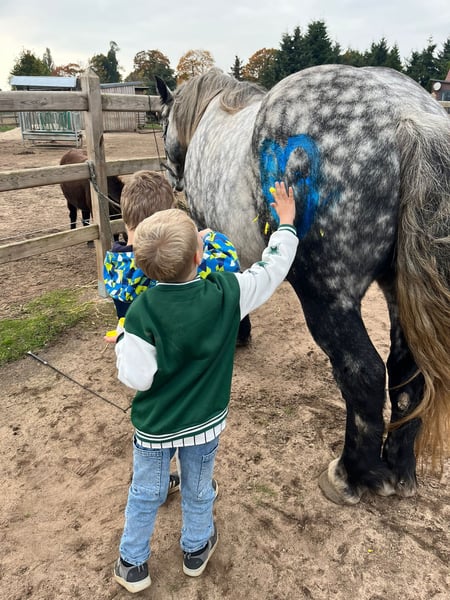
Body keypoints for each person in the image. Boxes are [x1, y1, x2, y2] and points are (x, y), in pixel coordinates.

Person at [112, 181, 298, 593]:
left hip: (155, 428)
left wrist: (124, 339)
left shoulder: (141, 312)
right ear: (200, 256)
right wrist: (286, 223)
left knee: (146, 492)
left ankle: (132, 563)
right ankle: (196, 549)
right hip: (205, 425)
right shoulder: (227, 293)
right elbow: (272, 269)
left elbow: (136, 378)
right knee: (198, 488)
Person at [103, 170, 251, 345]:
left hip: (145, 342)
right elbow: (229, 263)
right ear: (169, 218)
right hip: (189, 344)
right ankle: (240, 334)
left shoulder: (113, 266)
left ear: (124, 215)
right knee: (228, 284)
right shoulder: (173, 260)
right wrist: (211, 237)